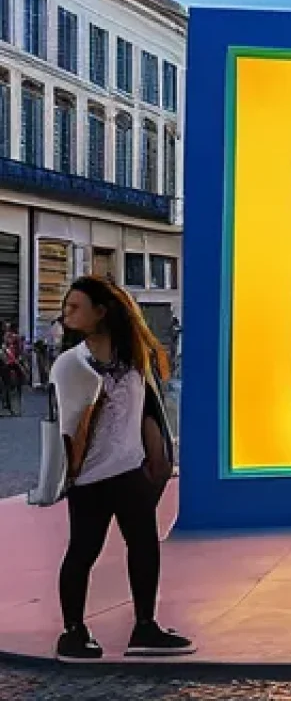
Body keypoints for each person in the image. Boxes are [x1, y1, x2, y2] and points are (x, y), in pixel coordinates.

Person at [50, 276, 193, 662]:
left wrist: (158, 458)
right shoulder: (70, 363)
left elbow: (148, 408)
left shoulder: (133, 358)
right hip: (89, 478)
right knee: (83, 551)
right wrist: (64, 476)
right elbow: (64, 424)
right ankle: (73, 633)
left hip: (129, 471)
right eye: (67, 307)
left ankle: (145, 628)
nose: (67, 314)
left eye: (75, 307)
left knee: (145, 546)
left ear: (102, 311)